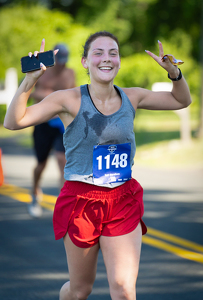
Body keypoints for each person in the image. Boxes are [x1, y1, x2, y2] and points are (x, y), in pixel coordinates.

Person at [4, 31, 191, 300]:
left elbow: (181, 100)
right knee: (80, 290)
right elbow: (13, 121)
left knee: (124, 289)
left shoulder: (132, 97)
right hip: (81, 201)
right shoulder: (67, 99)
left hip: (122, 199)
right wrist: (30, 80)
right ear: (84, 61)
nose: (106, 58)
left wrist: (174, 73)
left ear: (119, 61)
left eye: (113, 53)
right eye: (98, 53)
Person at [28, 43, 76, 217]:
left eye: (64, 60)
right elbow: (30, 92)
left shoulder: (70, 74)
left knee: (62, 161)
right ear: (53, 59)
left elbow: (73, 96)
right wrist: (51, 95)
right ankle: (34, 193)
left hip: (61, 123)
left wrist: (49, 94)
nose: (62, 64)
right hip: (42, 122)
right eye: (59, 60)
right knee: (41, 164)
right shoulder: (43, 72)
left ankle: (64, 205)